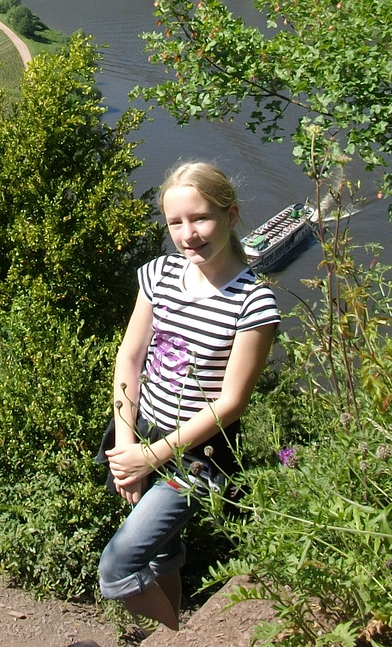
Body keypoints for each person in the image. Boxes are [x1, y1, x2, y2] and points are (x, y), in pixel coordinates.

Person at [98, 161, 279, 629]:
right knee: (160, 552)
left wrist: (149, 458)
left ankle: (174, 638)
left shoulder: (253, 301)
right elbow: (129, 359)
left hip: (196, 456)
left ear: (231, 215)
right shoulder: (158, 274)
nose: (188, 234)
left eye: (200, 218)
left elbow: (231, 403)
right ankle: (171, 626)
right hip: (138, 435)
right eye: (175, 222)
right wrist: (126, 444)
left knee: (116, 569)